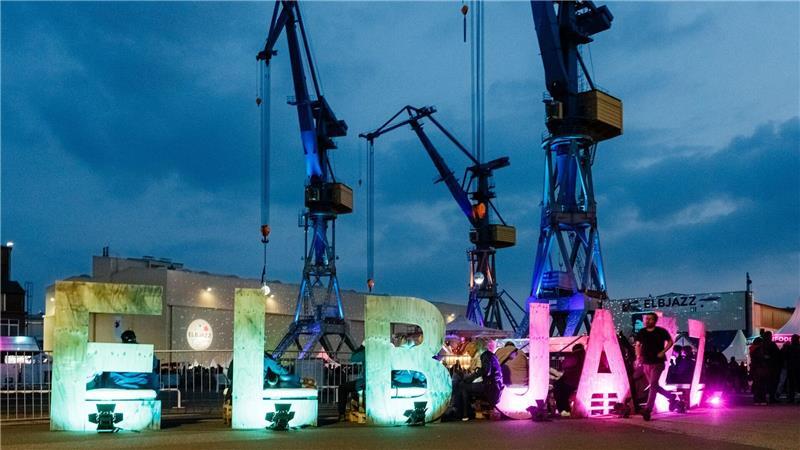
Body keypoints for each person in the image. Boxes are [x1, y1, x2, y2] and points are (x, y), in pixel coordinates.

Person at [634, 313, 677, 421]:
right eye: (646, 319)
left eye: (650, 319)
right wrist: (638, 356)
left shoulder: (660, 331)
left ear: (655, 321)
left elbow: (671, 341)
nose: (647, 321)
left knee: (653, 385)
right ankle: (671, 397)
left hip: (658, 362)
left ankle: (648, 409)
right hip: (646, 363)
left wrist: (663, 352)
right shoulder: (642, 332)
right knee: (654, 386)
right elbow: (638, 345)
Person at [455, 338, 504, 421]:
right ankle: (465, 412)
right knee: (464, 385)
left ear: (478, 347)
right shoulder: (491, 355)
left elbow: (486, 371)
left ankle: (465, 414)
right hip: (495, 385)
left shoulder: (484, 355)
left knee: (462, 386)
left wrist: (471, 378)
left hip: (489, 386)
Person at [553, 343, 585, 415]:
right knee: (561, 387)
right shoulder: (585, 356)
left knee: (558, 387)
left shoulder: (575, 356)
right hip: (582, 382)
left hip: (572, 382)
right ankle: (566, 410)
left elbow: (565, 365)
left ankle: (564, 410)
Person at [749, 337, 769, 405]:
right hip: (760, 368)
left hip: (755, 369)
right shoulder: (759, 349)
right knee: (762, 384)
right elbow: (761, 358)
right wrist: (766, 357)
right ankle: (762, 399)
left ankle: (756, 399)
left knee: (757, 384)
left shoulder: (752, 348)